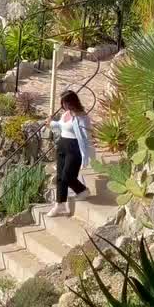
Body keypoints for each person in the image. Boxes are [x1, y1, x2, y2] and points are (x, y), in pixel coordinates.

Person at [47, 89, 94, 217]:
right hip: (62, 145)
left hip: (74, 148)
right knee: (60, 176)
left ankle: (82, 190)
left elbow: (87, 136)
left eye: (66, 103)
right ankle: (59, 204)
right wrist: (51, 124)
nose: (64, 106)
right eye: (62, 103)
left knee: (67, 176)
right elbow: (61, 127)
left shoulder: (82, 117)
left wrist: (88, 153)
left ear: (73, 102)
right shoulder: (66, 114)